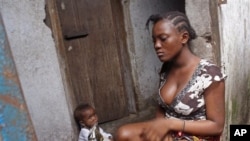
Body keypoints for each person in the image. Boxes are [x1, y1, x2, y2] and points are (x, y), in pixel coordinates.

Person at [115, 11, 226, 141]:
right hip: (169, 132)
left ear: (184, 37)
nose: (157, 45)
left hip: (195, 136)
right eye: (154, 40)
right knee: (122, 134)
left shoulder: (210, 74)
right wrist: (160, 129)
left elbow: (217, 126)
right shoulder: (166, 68)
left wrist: (170, 124)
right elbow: (161, 109)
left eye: (163, 39)